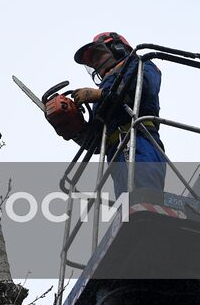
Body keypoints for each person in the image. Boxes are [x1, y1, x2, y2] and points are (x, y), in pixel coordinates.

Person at [68, 32, 167, 196]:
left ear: (118, 48)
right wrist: (73, 127)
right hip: (115, 154)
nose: (96, 63)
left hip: (141, 139)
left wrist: (102, 95)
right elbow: (96, 142)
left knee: (144, 195)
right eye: (92, 61)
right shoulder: (100, 91)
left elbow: (142, 89)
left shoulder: (142, 64)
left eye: (98, 55)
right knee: (128, 205)